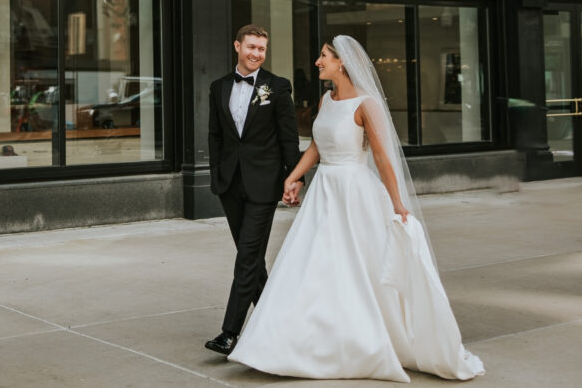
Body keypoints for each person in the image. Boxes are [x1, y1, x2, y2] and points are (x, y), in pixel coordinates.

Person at [228, 35, 485, 382]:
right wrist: (293, 177)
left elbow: (381, 156)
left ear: (342, 62)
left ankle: (357, 342)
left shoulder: (366, 104)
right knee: (311, 265)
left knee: (357, 268)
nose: (318, 62)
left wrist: (397, 203)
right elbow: (317, 146)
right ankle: (299, 341)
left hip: (355, 194)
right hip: (324, 193)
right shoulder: (326, 99)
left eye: (323, 57)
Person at [204, 24, 301, 356]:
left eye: (262, 48)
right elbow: (215, 136)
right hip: (230, 185)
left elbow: (289, 137)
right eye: (251, 47)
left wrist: (295, 177)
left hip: (264, 184)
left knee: (247, 255)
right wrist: (217, 174)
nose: (257, 53)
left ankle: (230, 332)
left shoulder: (277, 87)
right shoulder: (218, 87)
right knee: (253, 259)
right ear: (237, 46)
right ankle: (277, 321)